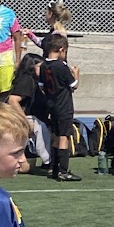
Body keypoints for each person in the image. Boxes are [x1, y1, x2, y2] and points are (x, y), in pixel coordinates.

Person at [39, 34, 81, 182]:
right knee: (64, 137)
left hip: (51, 105)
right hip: (64, 106)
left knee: (56, 137)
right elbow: (73, 85)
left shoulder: (43, 65)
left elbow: (42, 86)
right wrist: (76, 75)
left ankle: (54, 168)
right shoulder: (61, 66)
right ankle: (63, 171)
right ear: (61, 49)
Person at [7, 53, 51, 173]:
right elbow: (12, 100)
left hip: (31, 116)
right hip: (21, 117)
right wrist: (24, 121)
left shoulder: (36, 81)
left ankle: (37, 157)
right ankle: (48, 161)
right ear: (32, 67)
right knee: (39, 127)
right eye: (40, 66)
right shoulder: (27, 80)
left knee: (27, 167)